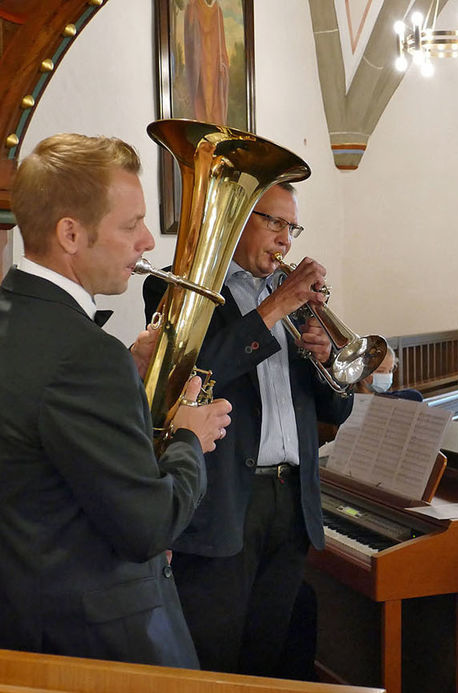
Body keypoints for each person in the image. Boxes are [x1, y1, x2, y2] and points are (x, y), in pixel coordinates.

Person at [0, 133, 232, 668]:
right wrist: (187, 439)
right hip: (94, 642)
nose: (148, 241)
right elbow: (149, 527)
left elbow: (38, 432)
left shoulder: (23, 317)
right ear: (71, 234)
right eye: (131, 226)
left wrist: (127, 370)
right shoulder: (85, 355)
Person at [143, 182, 354, 677]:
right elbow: (195, 372)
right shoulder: (184, 288)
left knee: (269, 655)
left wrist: (328, 360)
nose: (285, 239)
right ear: (238, 221)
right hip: (225, 501)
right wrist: (276, 305)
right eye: (274, 222)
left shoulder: (296, 307)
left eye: (291, 227)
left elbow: (333, 414)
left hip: (290, 500)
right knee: (214, 658)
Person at [184, 0, 230, 123]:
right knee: (202, 97)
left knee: (215, 100)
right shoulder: (193, 7)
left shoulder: (217, 11)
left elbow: (221, 42)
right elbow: (190, 40)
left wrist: (223, 62)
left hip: (214, 66)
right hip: (201, 65)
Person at [354, 344, 423, 401]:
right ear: (360, 372)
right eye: (380, 371)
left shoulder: (389, 397)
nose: (387, 375)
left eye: (390, 370)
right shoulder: (350, 402)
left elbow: (415, 395)